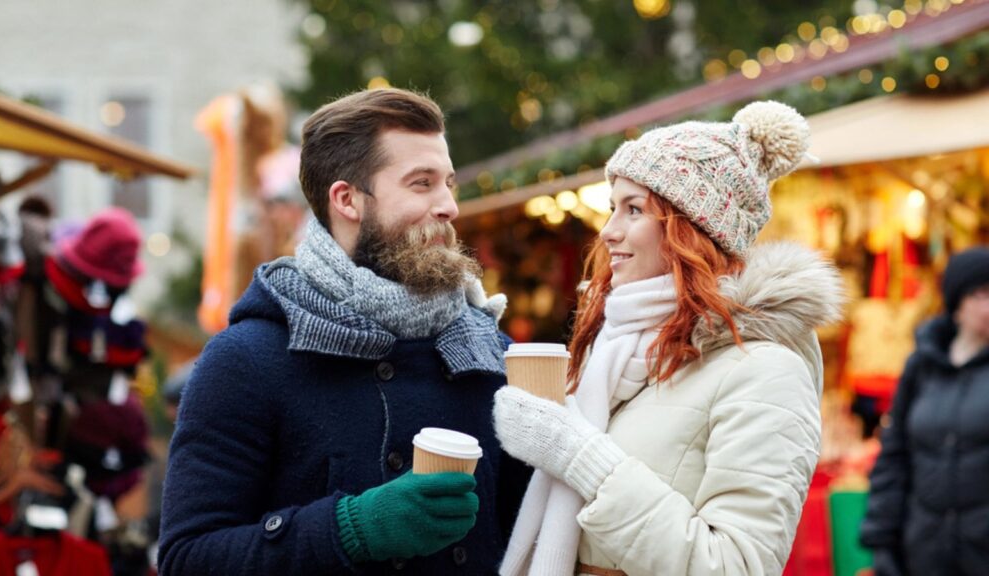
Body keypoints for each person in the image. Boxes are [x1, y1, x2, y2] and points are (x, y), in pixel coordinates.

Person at [159, 88, 531, 575]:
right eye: (421, 184)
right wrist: (353, 528)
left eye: (448, 184)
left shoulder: (490, 352)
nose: (449, 207)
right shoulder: (247, 358)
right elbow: (188, 559)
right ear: (347, 200)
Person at [492, 101, 845, 575]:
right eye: (612, 208)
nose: (608, 232)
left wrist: (579, 456)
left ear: (693, 229)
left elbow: (737, 565)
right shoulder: (614, 349)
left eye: (634, 209)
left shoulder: (766, 371)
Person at [860, 247, 989, 576]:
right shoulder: (923, 366)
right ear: (957, 302)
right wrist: (882, 540)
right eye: (981, 294)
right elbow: (894, 456)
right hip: (923, 550)